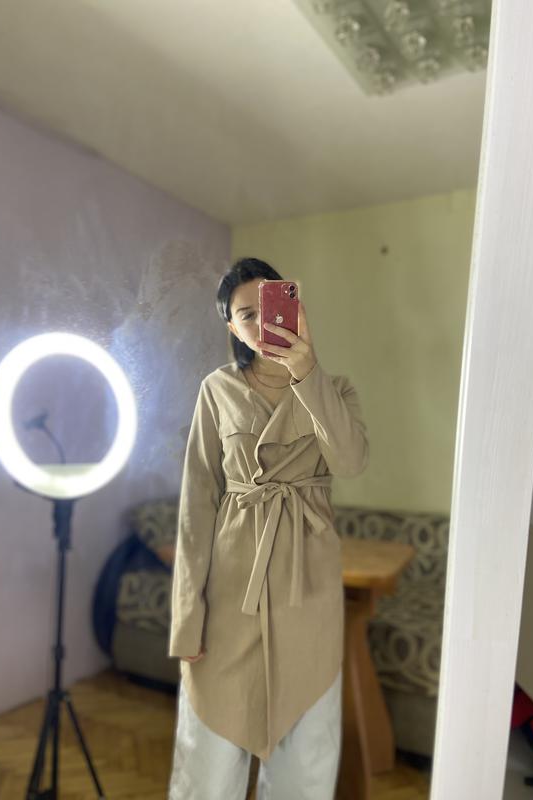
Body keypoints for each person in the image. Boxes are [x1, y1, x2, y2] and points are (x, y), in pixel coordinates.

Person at [167, 257, 369, 799]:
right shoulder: (217, 390)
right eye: (246, 315)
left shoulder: (335, 389)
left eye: (270, 307)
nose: (261, 322)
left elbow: (350, 461)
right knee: (207, 763)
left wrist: (307, 374)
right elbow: (197, 505)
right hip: (232, 590)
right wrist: (187, 618)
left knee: (305, 763)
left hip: (309, 589)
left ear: (295, 308)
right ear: (232, 329)